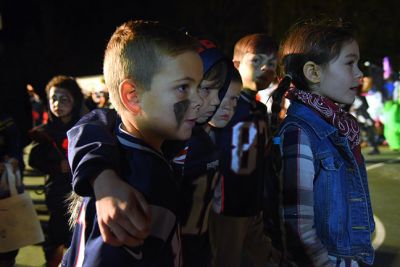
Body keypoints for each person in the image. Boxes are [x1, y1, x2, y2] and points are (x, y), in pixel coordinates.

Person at [66, 38, 233, 266]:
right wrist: (102, 178)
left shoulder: (193, 139)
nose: (210, 100)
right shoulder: (138, 163)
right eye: (187, 87)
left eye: (216, 89)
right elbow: (95, 121)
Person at [270, 18, 375, 266]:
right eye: (350, 63)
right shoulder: (300, 133)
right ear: (313, 72)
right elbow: (298, 228)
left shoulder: (339, 125)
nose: (359, 74)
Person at [208, 33, 281, 267]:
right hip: (228, 203)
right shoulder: (224, 104)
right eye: (257, 60)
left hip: (254, 202)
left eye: (272, 62)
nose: (266, 67)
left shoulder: (258, 107)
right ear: (236, 64)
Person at [28, 75, 88, 267]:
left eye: (64, 99)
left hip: (83, 195)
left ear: (75, 100)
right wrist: (55, 167)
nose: (57, 104)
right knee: (55, 241)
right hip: (56, 195)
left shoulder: (87, 127)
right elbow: (33, 159)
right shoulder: (46, 132)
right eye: (53, 98)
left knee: (80, 241)